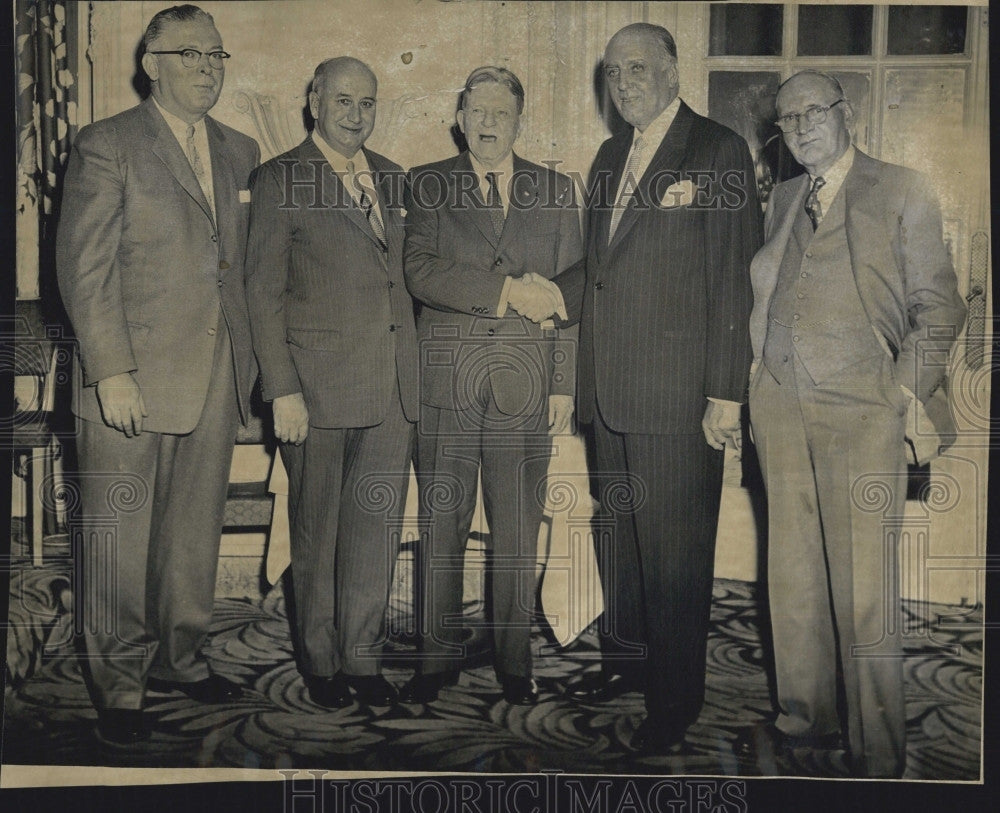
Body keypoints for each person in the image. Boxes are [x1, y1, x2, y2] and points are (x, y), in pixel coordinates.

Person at [737, 70, 966, 778]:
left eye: (814, 111)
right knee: (793, 578)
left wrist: (902, 394)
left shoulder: (902, 188)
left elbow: (941, 307)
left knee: (865, 592)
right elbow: (770, 295)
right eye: (786, 119)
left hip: (864, 412)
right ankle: (803, 721)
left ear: (850, 113)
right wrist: (754, 387)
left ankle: (876, 754)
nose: (800, 126)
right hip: (781, 406)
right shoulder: (779, 196)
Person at [548, 23, 763, 752]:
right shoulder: (611, 155)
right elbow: (602, 267)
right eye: (614, 72)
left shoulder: (718, 150)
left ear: (674, 70)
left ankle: (675, 699)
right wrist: (543, 292)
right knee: (621, 538)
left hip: (677, 396)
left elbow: (733, 280)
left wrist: (725, 393)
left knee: (674, 552)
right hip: (608, 389)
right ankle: (625, 661)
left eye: (639, 67)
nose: (626, 82)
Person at [56, 4, 260, 744]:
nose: (207, 68)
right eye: (190, 55)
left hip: (212, 369)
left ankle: (180, 655)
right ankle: (117, 682)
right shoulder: (107, 143)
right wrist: (111, 370)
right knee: (119, 531)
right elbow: (83, 268)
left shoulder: (240, 149)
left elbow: (237, 269)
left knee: (190, 529)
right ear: (152, 64)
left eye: (216, 55)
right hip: (129, 374)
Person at [400, 66, 582, 706]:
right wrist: (505, 294)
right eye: (477, 110)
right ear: (458, 115)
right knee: (440, 525)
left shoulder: (557, 190)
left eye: (501, 112)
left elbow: (571, 298)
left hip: (526, 386)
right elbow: (420, 271)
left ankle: (514, 661)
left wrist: (563, 383)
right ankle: (435, 659)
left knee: (517, 531)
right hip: (446, 384)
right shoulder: (425, 185)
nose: (487, 123)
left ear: (519, 120)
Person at [244, 57, 418, 710]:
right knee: (316, 534)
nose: (355, 113)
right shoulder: (279, 177)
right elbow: (261, 292)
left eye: (366, 102)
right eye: (342, 100)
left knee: (375, 535)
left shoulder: (397, 180)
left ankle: (363, 657)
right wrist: (282, 389)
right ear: (314, 100)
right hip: (313, 394)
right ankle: (320, 660)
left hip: (391, 394)